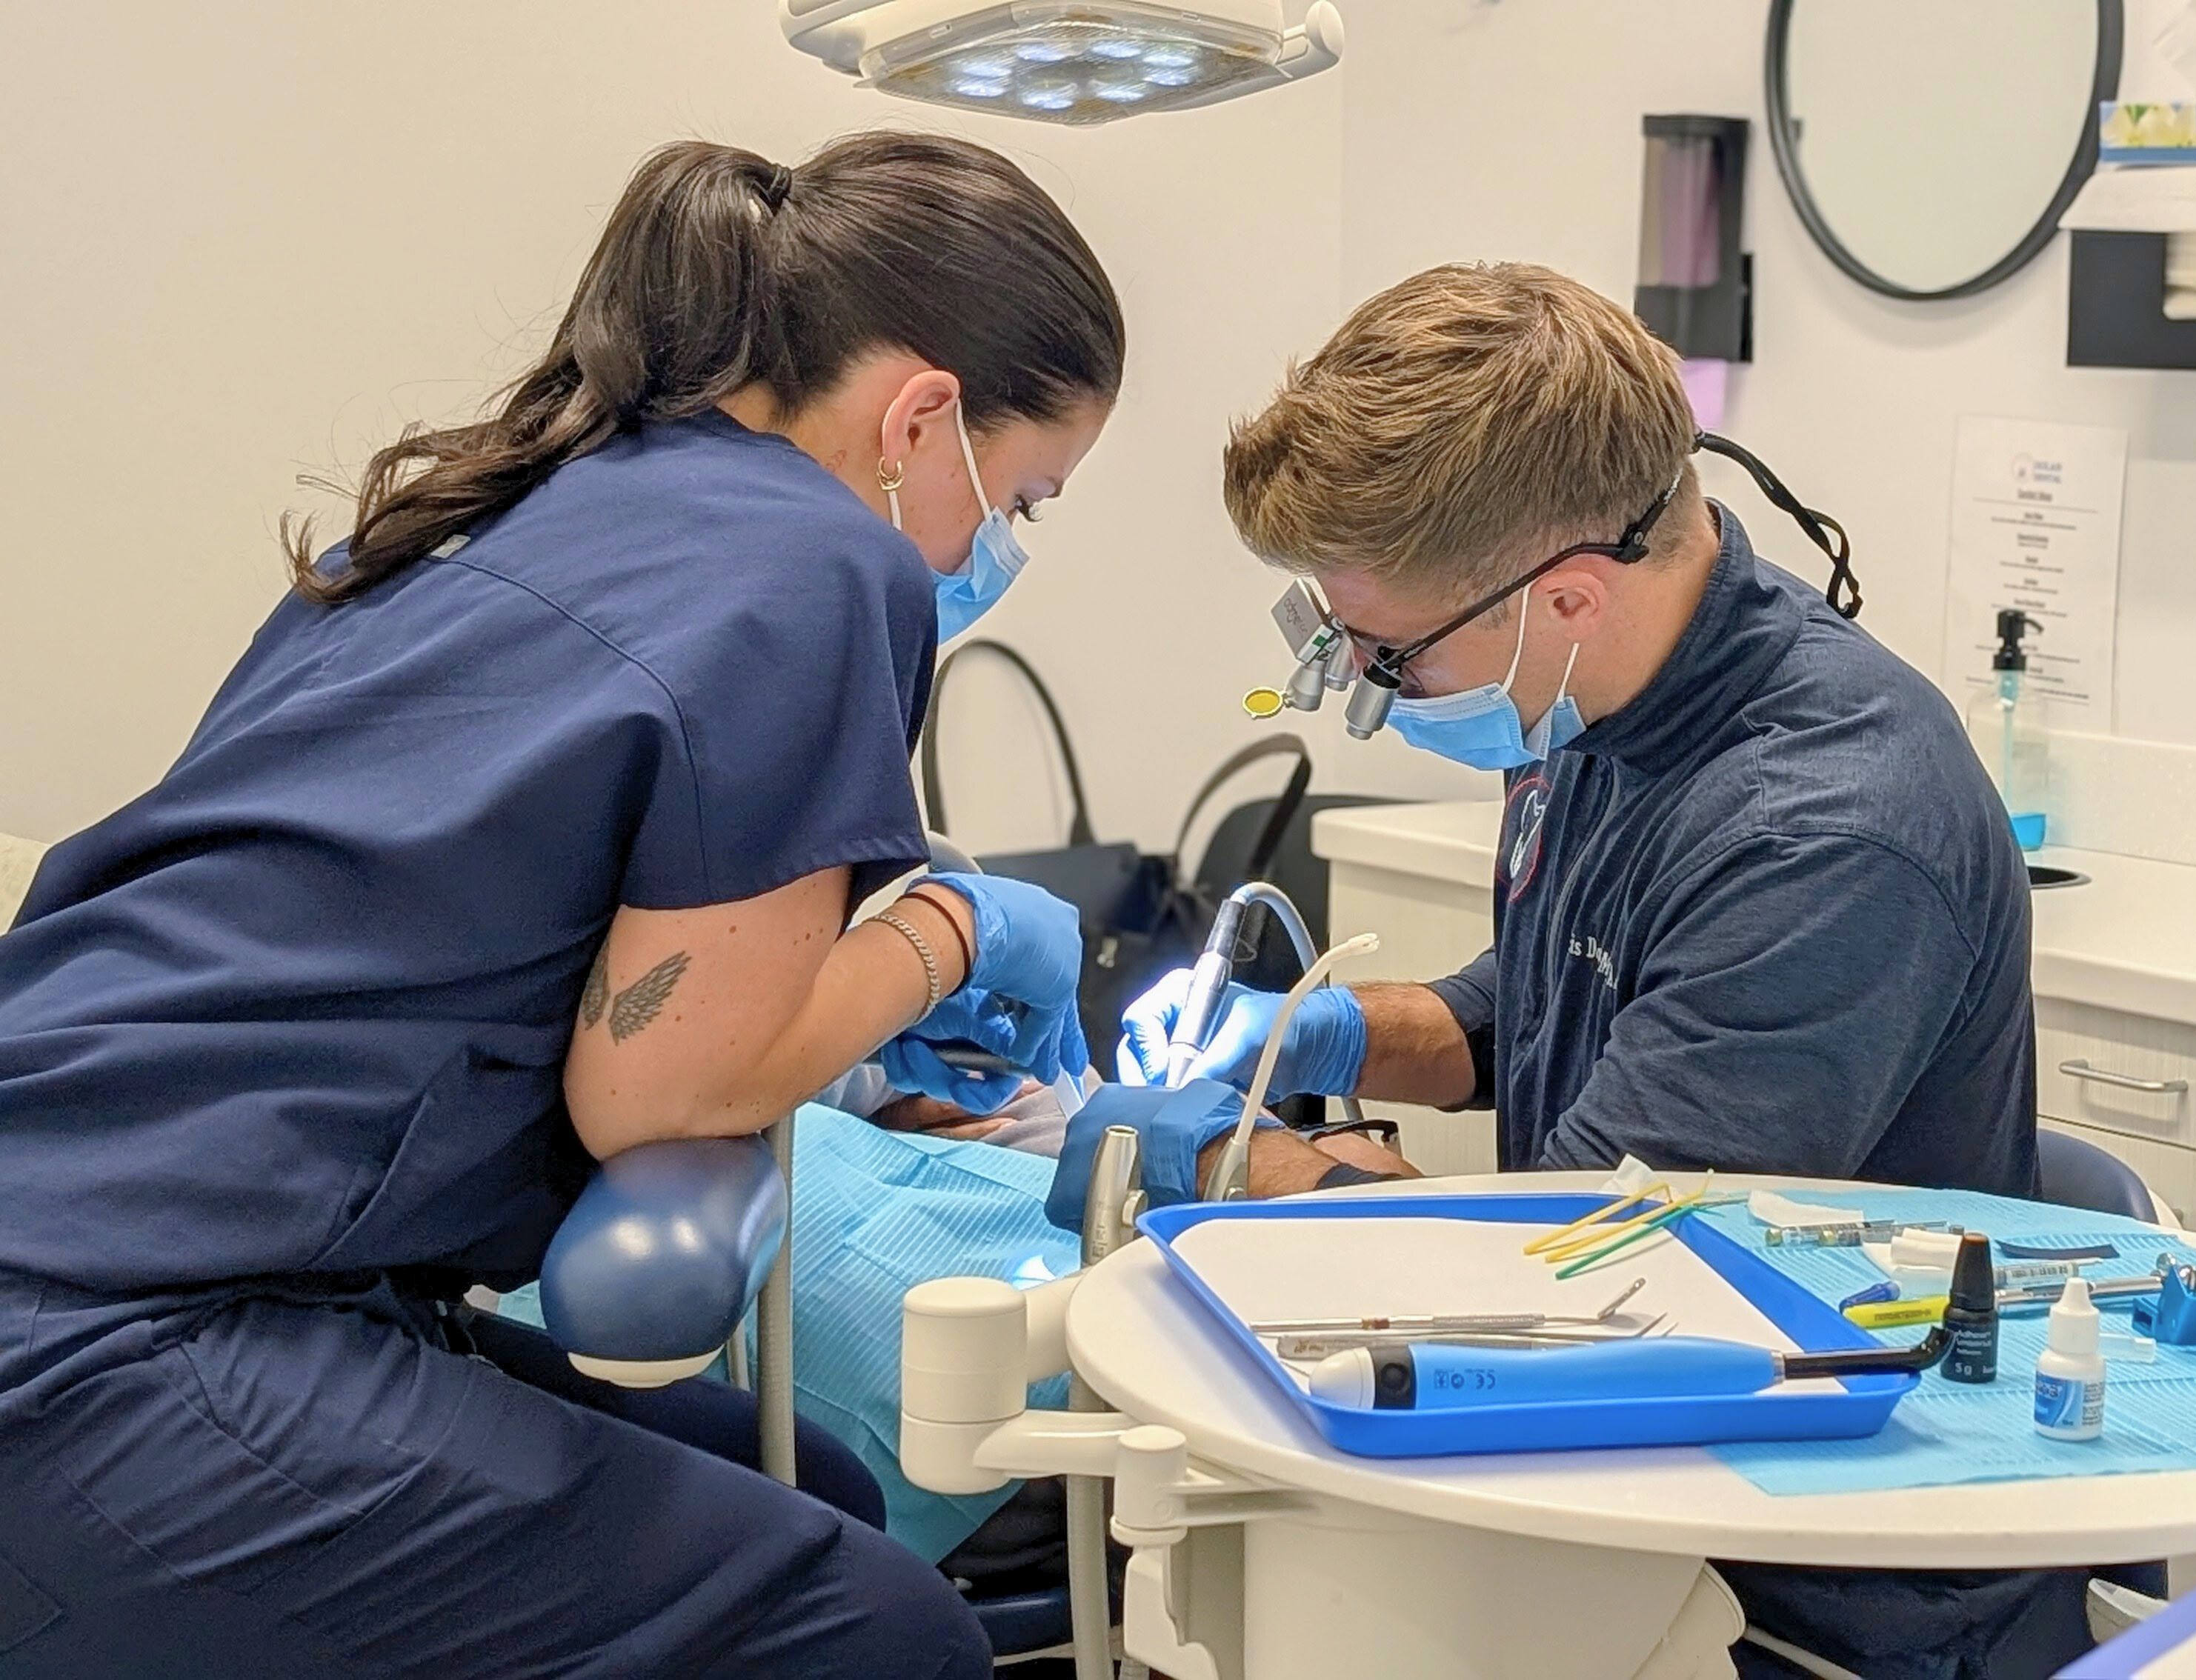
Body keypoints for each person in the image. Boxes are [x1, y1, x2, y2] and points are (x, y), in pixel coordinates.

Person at [0, 132, 1122, 1676]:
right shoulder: (817, 563)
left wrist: (837, 1009)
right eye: (1028, 499)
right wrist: (951, 936)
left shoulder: (490, 505)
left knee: (824, 1495)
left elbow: (461, 938)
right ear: (925, 417)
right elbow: (668, 1086)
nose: (995, 546)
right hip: (109, 1349)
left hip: (134, 1236)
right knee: (883, 1639)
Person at [1099, 262, 2086, 1679]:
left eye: (1384, 654)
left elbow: (1575, 1279)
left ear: (1562, 595)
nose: (1362, 690)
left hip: (1815, 1584)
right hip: (1622, 1500)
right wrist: (1302, 1036)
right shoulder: (1591, 703)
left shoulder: (1829, 834)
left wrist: (1243, 1169)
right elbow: (1533, 1008)